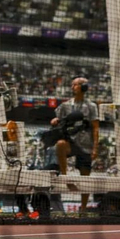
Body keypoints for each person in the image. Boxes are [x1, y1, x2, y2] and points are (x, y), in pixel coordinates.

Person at [51, 77, 100, 210]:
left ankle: (83, 207)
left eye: (76, 85)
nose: (73, 87)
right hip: (70, 142)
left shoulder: (91, 106)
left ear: (84, 87)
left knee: (85, 177)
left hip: (86, 145)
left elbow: (95, 128)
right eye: (72, 85)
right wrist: (55, 120)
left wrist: (95, 148)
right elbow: (56, 119)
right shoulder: (65, 105)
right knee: (60, 144)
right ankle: (64, 174)